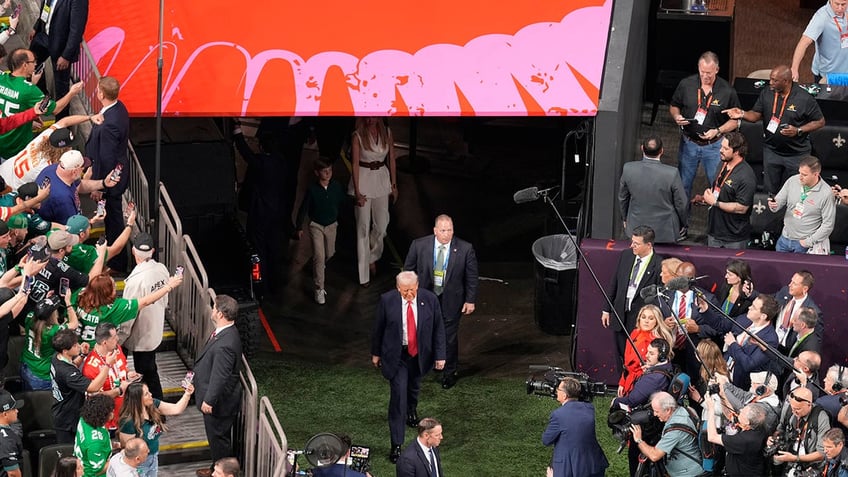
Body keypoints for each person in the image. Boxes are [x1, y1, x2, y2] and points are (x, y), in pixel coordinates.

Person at [370, 271, 445, 463]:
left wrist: (440, 355)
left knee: (414, 387)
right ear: (398, 288)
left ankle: (412, 410)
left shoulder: (430, 300)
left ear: (417, 286)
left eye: (412, 290)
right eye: (404, 291)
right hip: (397, 356)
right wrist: (376, 353)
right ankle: (396, 444)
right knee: (398, 397)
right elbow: (378, 328)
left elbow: (438, 328)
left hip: (420, 355)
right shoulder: (387, 300)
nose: (409, 294)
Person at [723, 65, 826, 195]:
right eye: (770, 79)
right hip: (772, 151)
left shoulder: (804, 98)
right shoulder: (767, 93)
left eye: (775, 80)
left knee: (796, 192)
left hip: (797, 154)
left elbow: (820, 121)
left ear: (786, 81)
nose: (770, 83)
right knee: (770, 191)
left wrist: (799, 130)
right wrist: (742, 113)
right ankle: (770, 215)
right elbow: (755, 115)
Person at [403, 214, 478, 389]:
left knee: (448, 338)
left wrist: (470, 300)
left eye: (450, 230)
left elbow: (471, 277)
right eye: (443, 230)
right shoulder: (419, 245)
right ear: (435, 231)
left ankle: (450, 372)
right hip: (425, 299)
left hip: (452, 300)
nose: (446, 234)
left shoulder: (465, 249)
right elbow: (408, 270)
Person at [669, 51, 741, 203]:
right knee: (683, 185)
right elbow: (674, 106)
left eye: (709, 73)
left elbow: (735, 121)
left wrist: (718, 130)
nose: (705, 76)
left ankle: (714, 224)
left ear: (717, 70)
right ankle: (683, 225)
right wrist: (677, 117)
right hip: (689, 143)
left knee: (716, 186)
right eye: (702, 72)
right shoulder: (686, 84)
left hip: (714, 146)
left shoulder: (727, 91)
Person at [600, 226, 664, 372]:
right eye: (632, 241)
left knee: (637, 355)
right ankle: (623, 382)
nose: (632, 246)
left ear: (648, 245)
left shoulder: (659, 264)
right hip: (620, 314)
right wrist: (606, 309)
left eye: (636, 243)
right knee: (621, 354)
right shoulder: (626, 255)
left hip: (640, 319)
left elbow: (658, 297)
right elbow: (614, 283)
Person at [194, 295, 243, 477]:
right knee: (216, 439)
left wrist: (209, 400)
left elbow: (220, 376)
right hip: (219, 399)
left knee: (218, 439)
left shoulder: (225, 344)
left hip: (219, 403)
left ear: (221, 314)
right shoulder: (225, 332)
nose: (212, 310)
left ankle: (222, 472)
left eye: (214, 308)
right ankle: (216, 466)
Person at [0, 48, 80, 158]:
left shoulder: (2, 78)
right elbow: (55, 109)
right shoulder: (30, 90)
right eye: (33, 62)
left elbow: (14, 100)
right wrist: (72, 92)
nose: (35, 64)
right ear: (24, 65)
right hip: (15, 148)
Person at [611, 339, 675, 476]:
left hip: (646, 428)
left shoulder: (653, 379)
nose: (646, 355)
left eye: (651, 353)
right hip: (655, 424)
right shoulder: (666, 368)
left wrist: (615, 401)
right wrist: (651, 369)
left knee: (635, 459)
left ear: (662, 357)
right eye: (647, 351)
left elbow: (632, 401)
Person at [87, 77, 130, 272]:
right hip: (115, 174)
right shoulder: (119, 109)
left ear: (101, 94)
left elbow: (106, 158)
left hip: (110, 180)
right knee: (112, 218)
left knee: (113, 221)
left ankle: (117, 262)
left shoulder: (108, 125)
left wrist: (99, 186)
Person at [121, 232, 171, 399]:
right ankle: (156, 413)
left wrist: (121, 337)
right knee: (150, 372)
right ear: (153, 250)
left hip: (140, 333)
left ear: (134, 251)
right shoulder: (162, 269)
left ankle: (155, 413)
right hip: (154, 329)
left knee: (146, 376)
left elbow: (128, 313)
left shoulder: (135, 281)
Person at [73, 271, 182, 347]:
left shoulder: (79, 294)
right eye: (113, 286)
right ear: (106, 292)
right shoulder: (114, 308)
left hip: (78, 346)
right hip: (100, 351)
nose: (115, 288)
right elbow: (145, 301)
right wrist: (169, 286)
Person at [349, 117, 397, 287]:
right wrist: (357, 191)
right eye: (367, 116)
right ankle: (364, 276)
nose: (370, 119)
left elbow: (391, 158)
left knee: (382, 225)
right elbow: (354, 164)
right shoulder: (357, 136)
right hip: (363, 179)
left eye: (373, 116)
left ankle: (372, 256)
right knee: (362, 227)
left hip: (381, 180)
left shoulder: (387, 133)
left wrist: (394, 184)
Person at [294, 157, 346, 304]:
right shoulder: (312, 190)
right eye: (324, 171)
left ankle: (319, 265)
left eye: (330, 170)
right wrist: (298, 227)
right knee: (319, 255)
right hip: (316, 225)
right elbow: (303, 208)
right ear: (317, 173)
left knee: (330, 253)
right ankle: (319, 288)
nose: (328, 173)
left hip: (331, 225)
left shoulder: (336, 187)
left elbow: (343, 202)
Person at [618, 135, 687, 244]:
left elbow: (622, 198)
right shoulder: (672, 173)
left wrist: (625, 218)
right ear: (662, 151)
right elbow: (681, 203)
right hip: (665, 230)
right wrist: (683, 223)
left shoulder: (628, 168)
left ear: (641, 148)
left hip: (636, 227)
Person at [50, 328, 113, 444]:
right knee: (70, 455)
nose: (78, 346)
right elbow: (93, 387)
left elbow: (72, 366)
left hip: (62, 410)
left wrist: (83, 355)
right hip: (67, 420)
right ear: (65, 350)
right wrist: (107, 365)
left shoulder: (56, 357)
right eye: (75, 346)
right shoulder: (67, 372)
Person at [119, 382, 195, 477]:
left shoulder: (153, 404)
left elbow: (176, 409)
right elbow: (127, 449)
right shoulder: (128, 421)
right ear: (138, 399)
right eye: (146, 394)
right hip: (138, 463)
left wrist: (187, 394)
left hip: (153, 456)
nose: (151, 394)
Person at [696, 131, 757, 249]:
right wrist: (705, 200)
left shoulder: (746, 176)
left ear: (737, 152)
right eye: (721, 147)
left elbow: (742, 208)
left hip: (734, 238)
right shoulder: (723, 163)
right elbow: (720, 191)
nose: (721, 150)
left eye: (725, 148)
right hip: (714, 232)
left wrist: (715, 203)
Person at [29, 0, 89, 120]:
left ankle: (61, 123)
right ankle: (42, 98)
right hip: (43, 36)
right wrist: (36, 27)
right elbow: (45, 8)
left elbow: (76, 30)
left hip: (61, 47)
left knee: (61, 86)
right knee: (32, 66)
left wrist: (66, 55)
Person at [0, 114, 93, 190]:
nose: (71, 148)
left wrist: (89, 117)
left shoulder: (45, 137)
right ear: (63, 149)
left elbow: (64, 122)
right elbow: (66, 187)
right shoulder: (49, 168)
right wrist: (85, 179)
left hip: (5, 169)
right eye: (69, 146)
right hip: (9, 187)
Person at [768, 155, 836, 254]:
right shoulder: (792, 181)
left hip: (805, 244)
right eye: (799, 172)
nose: (800, 177)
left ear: (816, 174)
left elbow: (828, 225)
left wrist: (807, 242)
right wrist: (773, 205)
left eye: (804, 175)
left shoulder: (826, 193)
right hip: (784, 239)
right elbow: (778, 202)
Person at [541, 377, 608, 477]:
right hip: (593, 464)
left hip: (570, 469)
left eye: (558, 389)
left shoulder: (558, 415)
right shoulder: (589, 408)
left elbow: (546, 440)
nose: (556, 391)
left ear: (564, 395)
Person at [35, 150, 118, 225]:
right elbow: (72, 229)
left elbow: (80, 186)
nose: (83, 170)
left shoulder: (53, 169)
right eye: (82, 168)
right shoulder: (63, 198)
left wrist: (103, 183)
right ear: (74, 171)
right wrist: (93, 220)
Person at [630, 391, 703, 477]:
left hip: (687, 473)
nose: (654, 414)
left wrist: (639, 440)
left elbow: (654, 455)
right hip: (694, 465)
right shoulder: (687, 410)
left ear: (668, 410)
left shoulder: (675, 430)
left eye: (657, 411)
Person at [80, 323, 136, 431]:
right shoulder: (90, 367)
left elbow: (122, 366)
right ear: (104, 342)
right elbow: (96, 397)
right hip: (108, 423)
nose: (118, 339)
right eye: (114, 337)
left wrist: (128, 374)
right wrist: (119, 390)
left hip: (126, 412)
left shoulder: (117, 348)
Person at [21, 292, 78, 390]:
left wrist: (46, 303)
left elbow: (39, 314)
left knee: (27, 398)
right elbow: (74, 324)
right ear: (52, 315)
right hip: (41, 374)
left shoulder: (29, 317)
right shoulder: (52, 331)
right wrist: (68, 303)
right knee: (44, 404)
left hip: (26, 365)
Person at [722, 295, 780, 390]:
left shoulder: (770, 339)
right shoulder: (745, 319)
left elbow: (749, 364)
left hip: (739, 385)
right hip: (725, 371)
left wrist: (732, 343)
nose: (749, 307)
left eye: (753, 307)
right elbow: (723, 324)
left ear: (763, 316)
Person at [617, 305, 674, 397]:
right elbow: (627, 364)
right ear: (639, 319)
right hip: (628, 379)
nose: (646, 321)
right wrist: (622, 382)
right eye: (643, 317)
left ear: (656, 321)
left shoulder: (658, 342)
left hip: (644, 382)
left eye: (651, 318)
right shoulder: (635, 333)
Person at [703, 397, 768, 477]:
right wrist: (723, 397)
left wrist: (711, 409)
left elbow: (712, 437)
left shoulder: (744, 440)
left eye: (743, 413)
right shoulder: (759, 427)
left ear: (747, 422)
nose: (740, 411)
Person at [771, 387, 829, 475]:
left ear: (809, 404)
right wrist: (773, 438)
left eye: (798, 409)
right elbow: (780, 428)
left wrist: (795, 458)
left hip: (810, 464)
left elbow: (822, 454)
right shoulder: (789, 409)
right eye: (792, 407)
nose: (794, 411)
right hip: (789, 458)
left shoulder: (821, 418)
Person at [791, 0, 848, 83]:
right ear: (831, 1)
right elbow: (804, 42)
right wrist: (794, 68)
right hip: (828, 74)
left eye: (843, 4)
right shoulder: (822, 17)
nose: (840, 8)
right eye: (837, 4)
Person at [63, 209, 135, 274]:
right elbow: (116, 249)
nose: (90, 228)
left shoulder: (58, 240)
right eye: (88, 228)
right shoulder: (85, 252)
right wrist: (130, 225)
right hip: (83, 286)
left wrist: (93, 220)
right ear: (82, 234)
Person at [772, 270, 821, 352]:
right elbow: (770, 300)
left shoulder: (813, 312)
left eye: (794, 283)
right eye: (791, 281)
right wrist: (750, 294)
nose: (790, 285)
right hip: (772, 342)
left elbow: (814, 341)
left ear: (805, 289)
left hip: (787, 352)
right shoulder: (785, 291)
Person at [74, 394, 114, 477]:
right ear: (103, 414)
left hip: (88, 459)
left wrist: (110, 445)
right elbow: (98, 470)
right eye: (111, 411)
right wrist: (121, 458)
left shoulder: (84, 419)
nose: (113, 413)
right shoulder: (95, 444)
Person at [0, 390, 24, 477]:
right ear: (5, 414)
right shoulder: (6, 438)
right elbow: (12, 473)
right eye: (13, 409)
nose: (17, 411)